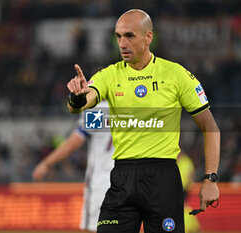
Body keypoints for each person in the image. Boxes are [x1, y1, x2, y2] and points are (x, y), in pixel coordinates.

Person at [66, 9, 220, 233]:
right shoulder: (109, 75)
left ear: (148, 37)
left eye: (129, 36)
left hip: (163, 178)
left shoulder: (176, 75)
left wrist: (210, 179)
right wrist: (76, 96)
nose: (122, 43)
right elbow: (80, 103)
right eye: (118, 36)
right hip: (122, 177)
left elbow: (210, 127)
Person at [32, 101, 114, 232]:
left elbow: (73, 143)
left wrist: (46, 163)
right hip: (125, 182)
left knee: (93, 229)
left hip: (100, 183)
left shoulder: (98, 110)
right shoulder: (130, 106)